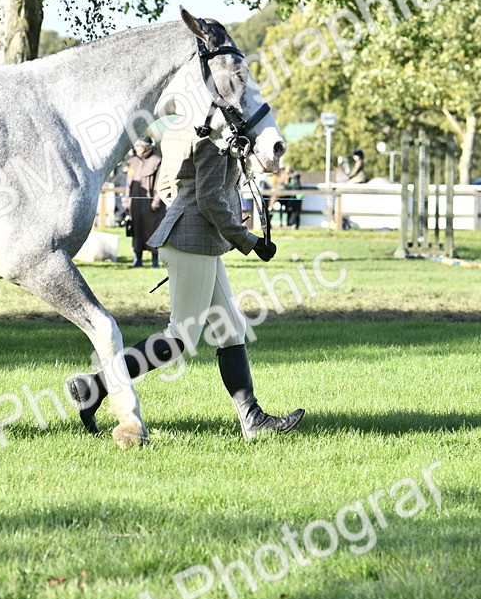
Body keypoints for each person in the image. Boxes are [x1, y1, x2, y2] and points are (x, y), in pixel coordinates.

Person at [67, 126, 305, 441]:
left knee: (231, 328)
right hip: (193, 243)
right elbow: (209, 199)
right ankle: (95, 385)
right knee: (180, 337)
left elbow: (167, 187)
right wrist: (248, 240)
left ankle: (253, 419)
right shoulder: (212, 139)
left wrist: (184, 211)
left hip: (193, 239)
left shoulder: (178, 131)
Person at [121, 137, 165, 268]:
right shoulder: (132, 161)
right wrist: (126, 201)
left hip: (151, 204)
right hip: (135, 203)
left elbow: (160, 183)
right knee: (137, 229)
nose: (136, 148)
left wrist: (156, 202)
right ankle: (138, 259)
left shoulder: (157, 161)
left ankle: (155, 260)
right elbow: (128, 184)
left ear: (146, 147)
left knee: (153, 230)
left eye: (139, 146)